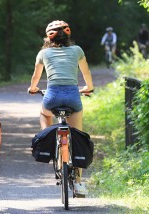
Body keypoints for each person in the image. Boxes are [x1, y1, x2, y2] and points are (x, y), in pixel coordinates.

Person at [28, 20, 94, 197]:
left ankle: (48, 138)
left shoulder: (44, 53)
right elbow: (86, 72)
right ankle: (79, 183)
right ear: (68, 35)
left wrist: (33, 88)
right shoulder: (77, 50)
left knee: (44, 113)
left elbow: (36, 76)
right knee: (77, 135)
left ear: (49, 37)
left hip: (52, 97)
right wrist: (89, 87)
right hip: (73, 96)